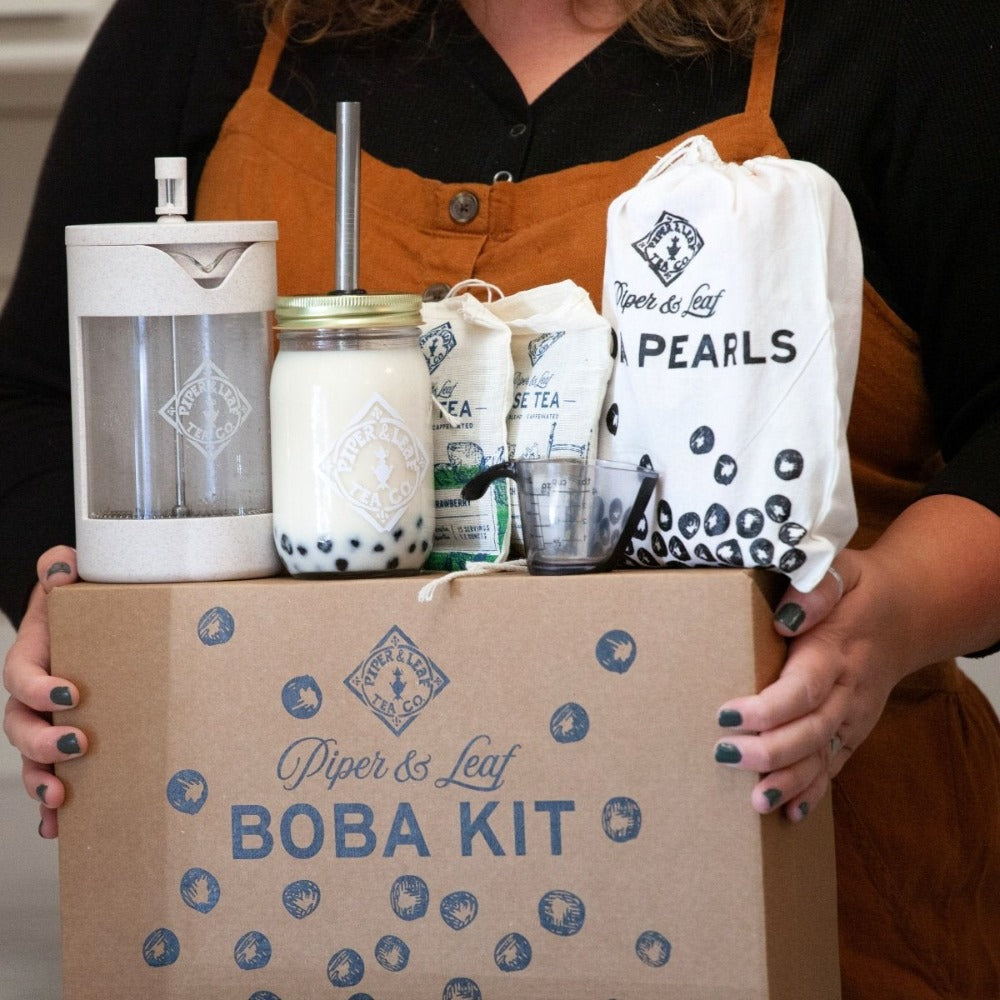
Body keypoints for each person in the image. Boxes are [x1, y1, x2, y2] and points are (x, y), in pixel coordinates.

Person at [2, 0, 998, 995]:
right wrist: (83, 614)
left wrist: (887, 620)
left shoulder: (898, 33)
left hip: (827, 898)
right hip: (288, 892)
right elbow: (34, 407)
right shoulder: (206, 27)